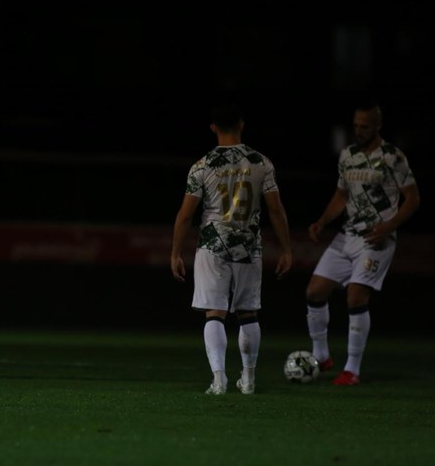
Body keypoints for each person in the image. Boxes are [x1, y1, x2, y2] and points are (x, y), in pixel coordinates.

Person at [170, 103, 293, 395]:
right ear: (242, 124)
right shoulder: (261, 162)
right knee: (248, 312)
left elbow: (186, 214)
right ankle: (249, 380)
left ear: (213, 127)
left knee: (215, 312)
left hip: (213, 244)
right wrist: (287, 249)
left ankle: (219, 380)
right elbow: (275, 209)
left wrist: (175, 252)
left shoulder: (202, 165)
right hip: (249, 245)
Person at [306, 101, 420, 386]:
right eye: (355, 125)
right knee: (314, 292)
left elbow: (413, 199)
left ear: (377, 126)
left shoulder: (393, 157)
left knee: (356, 296)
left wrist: (388, 227)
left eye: (364, 126)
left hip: (375, 239)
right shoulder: (348, 155)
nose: (358, 130)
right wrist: (322, 221)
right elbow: (341, 195)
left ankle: (352, 370)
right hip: (347, 234)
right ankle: (322, 356)